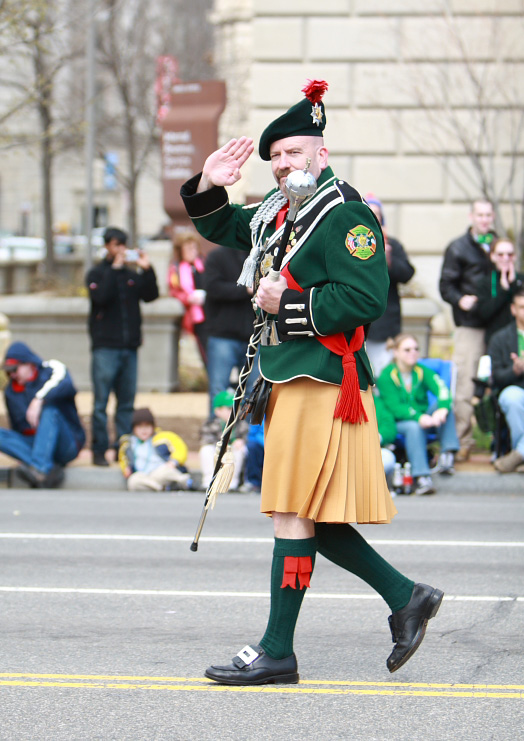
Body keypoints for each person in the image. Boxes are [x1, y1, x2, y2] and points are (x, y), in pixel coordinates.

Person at [180, 78, 444, 684]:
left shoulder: (344, 212)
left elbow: (367, 295)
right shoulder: (283, 213)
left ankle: (279, 649)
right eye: (274, 158)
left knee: (291, 513)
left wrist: (288, 302)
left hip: (323, 379)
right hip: (291, 378)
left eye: (292, 153)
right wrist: (208, 182)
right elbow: (224, 228)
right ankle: (406, 599)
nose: (281, 165)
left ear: (320, 154)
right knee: (305, 514)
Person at [86, 226, 159, 467]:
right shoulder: (96, 274)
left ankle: (122, 449)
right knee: (100, 404)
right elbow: (101, 298)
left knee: (126, 403)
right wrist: (115, 268)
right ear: (107, 246)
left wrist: (147, 268)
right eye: (116, 245)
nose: (120, 250)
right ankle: (98, 450)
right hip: (105, 347)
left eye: (123, 245)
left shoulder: (131, 276)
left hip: (129, 348)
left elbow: (151, 294)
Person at [439, 200, 495, 461]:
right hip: (470, 326)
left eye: (488, 215)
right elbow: (445, 285)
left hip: (498, 325)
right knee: (463, 386)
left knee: (498, 384)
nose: (484, 220)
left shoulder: (497, 246)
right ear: (472, 216)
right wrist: (460, 299)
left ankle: (499, 442)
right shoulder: (458, 247)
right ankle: (462, 441)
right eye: (480, 215)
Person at [377, 334, 460, 496]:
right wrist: (419, 417)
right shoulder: (387, 375)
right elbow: (395, 407)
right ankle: (422, 477)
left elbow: (442, 390)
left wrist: (442, 409)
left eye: (416, 349)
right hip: (400, 423)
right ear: (396, 352)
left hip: (424, 419)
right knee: (414, 427)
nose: (413, 353)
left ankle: (447, 455)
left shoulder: (422, 370)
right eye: (407, 350)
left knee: (443, 406)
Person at [0, 341, 86, 487]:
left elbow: (66, 384)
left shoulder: (51, 369)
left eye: (15, 369)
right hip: (35, 444)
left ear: (29, 363)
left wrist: (39, 399)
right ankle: (47, 470)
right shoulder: (10, 392)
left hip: (66, 443)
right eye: (8, 371)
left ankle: (39, 468)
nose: (12, 374)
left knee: (49, 411)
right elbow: (18, 427)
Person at [203, 245, 258, 418]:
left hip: (254, 335)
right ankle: (214, 435)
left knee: (254, 390)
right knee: (218, 390)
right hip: (223, 335)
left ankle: (249, 439)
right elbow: (212, 287)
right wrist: (245, 290)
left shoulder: (260, 255)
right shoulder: (216, 256)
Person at [364, 194, 415, 377]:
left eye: (377, 213)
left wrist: (388, 259)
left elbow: (407, 274)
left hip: (384, 326)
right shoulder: (353, 242)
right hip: (358, 321)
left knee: (382, 375)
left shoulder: (392, 245)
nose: (373, 216)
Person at [488, 288, 524, 474]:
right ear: (514, 309)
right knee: (512, 398)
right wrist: (516, 369)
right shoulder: (500, 338)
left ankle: (518, 455)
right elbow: (497, 378)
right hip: (514, 389)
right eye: (522, 307)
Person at [118, 408, 191, 491]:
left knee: (164, 473)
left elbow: (180, 448)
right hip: (142, 474)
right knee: (133, 481)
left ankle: (181, 480)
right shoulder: (128, 443)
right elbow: (123, 458)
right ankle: (161, 487)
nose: (144, 430)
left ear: (153, 427)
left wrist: (174, 462)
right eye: (140, 427)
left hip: (160, 469)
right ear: (133, 428)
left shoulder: (163, 437)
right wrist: (126, 469)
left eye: (147, 426)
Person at [168, 230, 207, 366]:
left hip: (210, 312)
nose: (193, 251)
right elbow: (173, 291)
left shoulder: (204, 263)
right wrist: (188, 298)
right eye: (188, 248)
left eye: (194, 247)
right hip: (194, 317)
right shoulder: (176, 269)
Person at [475, 238, 524, 346]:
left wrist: (513, 285)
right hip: (496, 342)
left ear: (515, 256)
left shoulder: (521, 280)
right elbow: (483, 314)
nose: (505, 258)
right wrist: (504, 290)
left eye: (509, 254)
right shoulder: (485, 282)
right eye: (500, 255)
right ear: (492, 256)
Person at [199, 390, 247, 491]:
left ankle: (232, 483)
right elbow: (206, 440)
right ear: (218, 411)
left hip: (232, 452)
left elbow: (245, 438)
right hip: (217, 451)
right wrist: (223, 446)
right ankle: (209, 481)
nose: (234, 411)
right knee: (206, 449)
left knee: (241, 449)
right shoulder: (210, 424)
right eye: (229, 408)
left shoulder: (241, 424)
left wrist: (240, 441)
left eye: (237, 407)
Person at [239, 422, 264, 493]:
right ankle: (254, 482)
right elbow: (252, 434)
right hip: (261, 442)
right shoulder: (262, 414)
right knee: (251, 447)